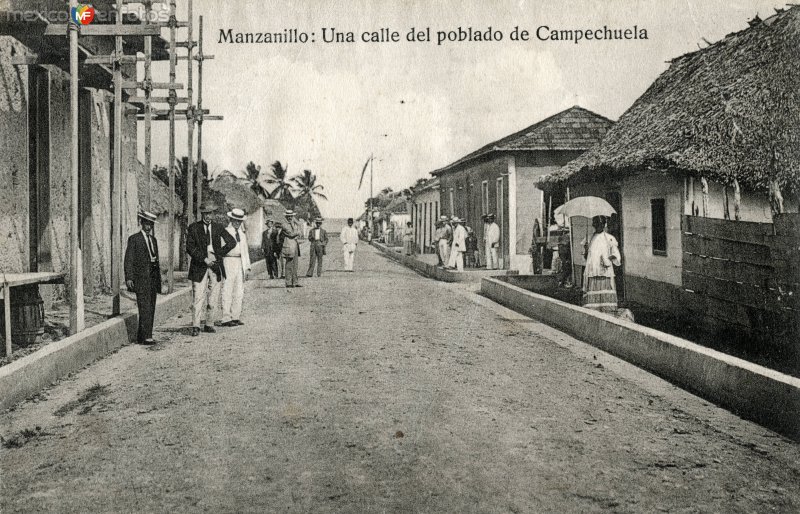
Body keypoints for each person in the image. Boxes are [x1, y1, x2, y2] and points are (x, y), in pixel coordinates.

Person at [186, 200, 236, 336]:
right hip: (199, 266)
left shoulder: (218, 228)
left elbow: (232, 242)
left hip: (215, 266)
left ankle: (209, 323)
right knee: (198, 296)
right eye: (205, 213)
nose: (208, 216)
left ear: (213, 214)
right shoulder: (194, 228)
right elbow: (190, 247)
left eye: (210, 213)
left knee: (213, 297)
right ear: (202, 214)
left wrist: (219, 254)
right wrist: (204, 259)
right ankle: (196, 325)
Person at [124, 211, 162, 345]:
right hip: (141, 278)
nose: (148, 227)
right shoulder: (134, 239)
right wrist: (129, 277)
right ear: (141, 223)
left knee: (151, 306)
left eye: (150, 224)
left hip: (152, 278)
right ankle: (147, 336)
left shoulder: (154, 240)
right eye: (146, 223)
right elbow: (129, 259)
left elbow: (156, 260)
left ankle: (142, 335)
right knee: (144, 306)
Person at [582, 216, 622, 313]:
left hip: (604, 270)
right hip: (593, 270)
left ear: (604, 225)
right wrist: (586, 249)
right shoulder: (590, 238)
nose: (599, 227)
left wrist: (609, 258)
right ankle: (593, 310)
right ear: (593, 225)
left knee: (605, 289)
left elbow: (616, 254)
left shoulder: (609, 238)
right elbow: (587, 257)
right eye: (596, 225)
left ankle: (607, 310)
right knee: (593, 290)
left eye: (601, 225)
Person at [221, 208, 251, 326]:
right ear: (231, 220)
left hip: (240, 262)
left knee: (239, 290)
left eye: (239, 221)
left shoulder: (242, 235)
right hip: (228, 261)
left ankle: (235, 316)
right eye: (235, 220)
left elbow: (246, 251)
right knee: (227, 289)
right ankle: (226, 317)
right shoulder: (225, 232)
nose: (237, 223)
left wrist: (247, 267)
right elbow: (222, 249)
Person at [281, 210, 303, 287]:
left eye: (291, 216)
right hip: (288, 246)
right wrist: (297, 232)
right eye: (288, 216)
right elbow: (291, 234)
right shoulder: (284, 225)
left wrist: (297, 230)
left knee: (295, 265)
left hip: (295, 246)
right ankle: (288, 282)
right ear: (286, 217)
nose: (290, 217)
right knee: (289, 265)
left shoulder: (294, 224)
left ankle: (295, 282)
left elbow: (300, 232)